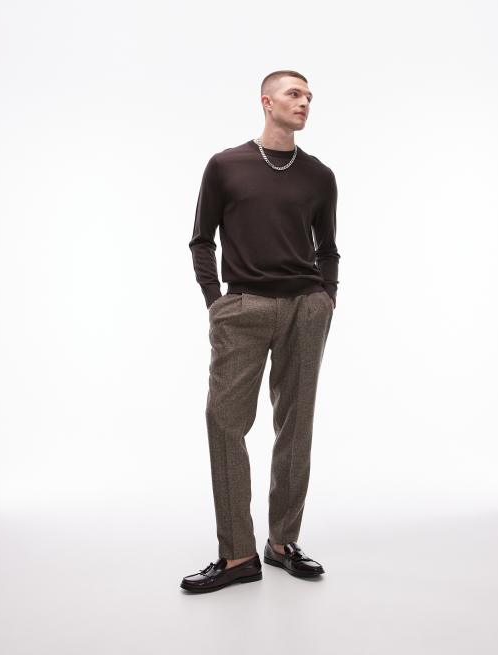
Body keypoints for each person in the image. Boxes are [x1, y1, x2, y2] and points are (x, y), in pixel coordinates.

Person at [181, 70, 341, 593]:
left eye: (309, 96)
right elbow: (201, 240)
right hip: (243, 307)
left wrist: (326, 299)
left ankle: (282, 543)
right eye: (295, 94)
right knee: (224, 421)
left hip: (305, 309)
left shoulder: (319, 176)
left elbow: (328, 248)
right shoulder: (226, 165)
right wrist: (217, 303)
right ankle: (237, 555)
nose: (305, 102)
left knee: (295, 425)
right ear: (266, 101)